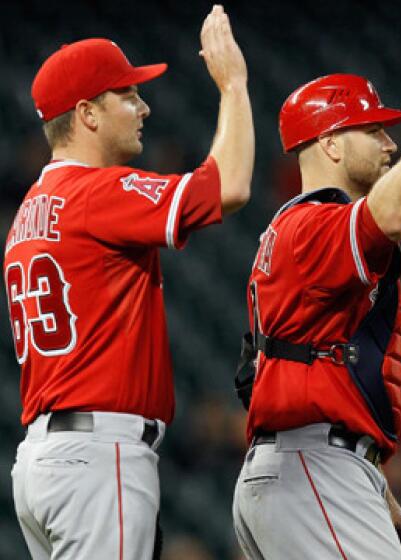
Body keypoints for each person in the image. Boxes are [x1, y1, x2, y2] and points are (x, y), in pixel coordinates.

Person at [5, 6, 253, 559]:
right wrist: (233, 84)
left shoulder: (29, 210)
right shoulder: (94, 193)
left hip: (44, 463)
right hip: (98, 455)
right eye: (128, 96)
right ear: (88, 113)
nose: (144, 107)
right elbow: (229, 185)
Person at [231, 31, 401, 560]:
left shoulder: (291, 232)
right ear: (330, 143)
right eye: (373, 130)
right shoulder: (313, 225)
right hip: (311, 471)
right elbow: (390, 217)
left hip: (305, 467)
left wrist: (370, 479)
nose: (390, 143)